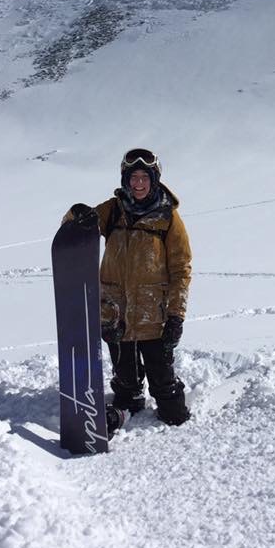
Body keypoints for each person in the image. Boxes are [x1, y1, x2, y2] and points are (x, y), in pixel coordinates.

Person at [63, 148, 192, 426]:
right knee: (127, 392)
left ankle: (169, 395)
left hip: (152, 319)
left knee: (171, 407)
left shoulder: (168, 218)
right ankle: (125, 408)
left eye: (144, 176)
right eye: (133, 177)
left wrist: (176, 315)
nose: (139, 183)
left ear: (154, 178)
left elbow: (181, 270)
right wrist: (75, 214)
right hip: (115, 316)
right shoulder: (112, 210)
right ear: (125, 179)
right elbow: (73, 229)